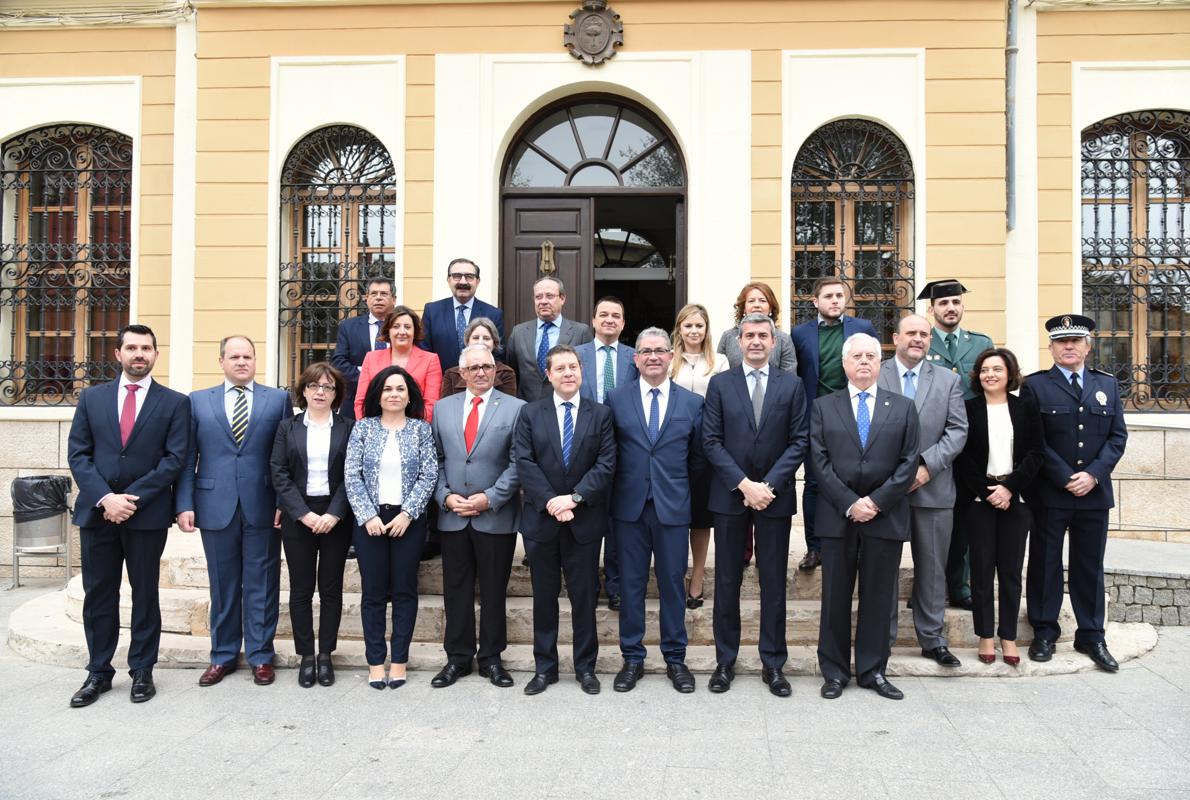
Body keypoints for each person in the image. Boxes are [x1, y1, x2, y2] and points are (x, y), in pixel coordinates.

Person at [66, 324, 190, 707]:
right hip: (97, 512)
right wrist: (105, 497)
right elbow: (78, 455)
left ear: (155, 354)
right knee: (99, 593)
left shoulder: (174, 403)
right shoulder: (92, 398)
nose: (140, 354)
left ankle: (142, 670)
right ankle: (98, 671)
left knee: (145, 594)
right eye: (132, 348)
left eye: (147, 348)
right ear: (117, 353)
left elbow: (175, 459)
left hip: (146, 514)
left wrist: (129, 499)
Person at [702, 313, 808, 697]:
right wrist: (745, 484)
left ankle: (774, 664)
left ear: (775, 342)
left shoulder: (792, 385)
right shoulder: (720, 385)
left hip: (774, 498)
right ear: (738, 340)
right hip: (731, 495)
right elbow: (710, 440)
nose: (757, 341)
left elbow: (799, 440)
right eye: (750, 335)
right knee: (727, 581)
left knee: (774, 582)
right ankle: (725, 661)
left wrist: (768, 486)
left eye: (764, 335)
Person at [176, 335, 291, 687]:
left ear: (256, 361)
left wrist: (283, 502)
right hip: (214, 505)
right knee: (223, 585)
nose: (242, 362)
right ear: (221, 361)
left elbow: (286, 457)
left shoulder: (278, 399)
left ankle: (260, 656)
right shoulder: (197, 401)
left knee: (262, 583)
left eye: (248, 356)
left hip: (263, 505)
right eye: (234, 357)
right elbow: (186, 457)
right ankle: (223, 655)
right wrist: (184, 504)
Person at [813, 333, 919, 701]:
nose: (863, 362)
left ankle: (874, 670)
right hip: (837, 517)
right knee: (835, 598)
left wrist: (874, 502)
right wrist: (850, 503)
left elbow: (908, 464)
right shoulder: (823, 407)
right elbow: (819, 462)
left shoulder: (903, 407)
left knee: (878, 598)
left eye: (870, 356)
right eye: (856, 356)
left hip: (884, 517)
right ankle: (834, 672)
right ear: (844, 363)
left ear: (880, 363)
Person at [1021, 315, 1128, 672]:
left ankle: (1091, 634)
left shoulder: (1107, 385)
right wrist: (1065, 476)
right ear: (1050, 347)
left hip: (1093, 495)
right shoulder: (1036, 386)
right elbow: (1034, 439)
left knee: (1089, 565)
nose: (1069, 347)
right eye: (1061, 341)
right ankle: (1045, 631)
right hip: (1051, 492)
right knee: (1045, 562)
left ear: (1088, 345)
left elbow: (1117, 437)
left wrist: (1093, 475)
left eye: (1076, 341)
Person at [514, 344, 616, 696]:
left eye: (573, 367)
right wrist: (552, 503)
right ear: (549, 374)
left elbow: (606, 464)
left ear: (581, 371)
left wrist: (573, 499)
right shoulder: (530, 413)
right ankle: (545, 668)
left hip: (584, 520)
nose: (569, 373)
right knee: (544, 598)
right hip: (542, 522)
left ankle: (586, 668)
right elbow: (524, 462)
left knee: (584, 598)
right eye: (561, 368)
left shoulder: (600, 415)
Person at [607, 328, 705, 694]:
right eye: (645, 351)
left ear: (670, 357)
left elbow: (697, 461)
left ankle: (675, 659)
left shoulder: (691, 404)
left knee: (672, 587)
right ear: (635, 359)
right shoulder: (616, 399)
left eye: (660, 351)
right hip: (629, 509)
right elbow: (610, 454)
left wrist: (679, 494)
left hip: (673, 508)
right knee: (631, 587)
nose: (652, 357)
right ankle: (632, 658)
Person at [429, 344, 526, 689]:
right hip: (453, 515)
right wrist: (445, 496)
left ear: (496, 370)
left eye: (487, 366)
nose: (481, 372)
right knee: (455, 590)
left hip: (494, 516)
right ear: (462, 373)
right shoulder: (442, 409)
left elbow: (518, 463)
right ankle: (457, 658)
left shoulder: (516, 409)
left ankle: (491, 659)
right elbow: (435, 460)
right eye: (474, 368)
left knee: (494, 590)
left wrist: (490, 498)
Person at [878, 315, 968, 668]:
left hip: (933, 488)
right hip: (885, 491)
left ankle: (932, 639)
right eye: (911, 333)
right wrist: (896, 475)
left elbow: (958, 431)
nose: (917, 339)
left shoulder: (948, 381)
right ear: (895, 337)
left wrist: (927, 466)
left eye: (924, 334)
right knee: (882, 568)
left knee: (932, 568)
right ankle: (880, 638)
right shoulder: (876, 372)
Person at [344, 366, 438, 689]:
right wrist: (368, 515)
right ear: (378, 396)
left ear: (409, 394)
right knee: (372, 594)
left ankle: (398, 661)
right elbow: (351, 474)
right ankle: (374, 662)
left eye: (400, 389)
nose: (394, 394)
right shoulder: (363, 429)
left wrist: (408, 513)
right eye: (387, 389)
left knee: (404, 591)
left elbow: (429, 474)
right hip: (369, 520)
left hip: (407, 522)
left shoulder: (421, 430)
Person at [954, 347, 1043, 666]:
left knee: (1009, 571)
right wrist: (988, 491)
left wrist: (1009, 488)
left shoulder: (1025, 408)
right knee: (979, 570)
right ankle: (985, 636)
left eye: (997, 369)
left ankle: (1008, 636)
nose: (990, 374)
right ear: (977, 376)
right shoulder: (968, 409)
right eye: (984, 369)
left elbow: (1036, 453)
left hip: (1016, 500)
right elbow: (962, 456)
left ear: (1010, 374)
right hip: (979, 500)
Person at [268, 362, 354, 687]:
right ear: (303, 390)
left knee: (331, 590)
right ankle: (306, 655)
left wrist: (334, 513)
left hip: (335, 516)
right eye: (315, 386)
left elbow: (352, 475)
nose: (321, 392)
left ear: (337, 394)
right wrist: (302, 513)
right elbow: (278, 472)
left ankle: (325, 655)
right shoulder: (287, 428)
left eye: (328, 387)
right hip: (298, 515)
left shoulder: (348, 427)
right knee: (301, 590)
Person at [790, 277, 879, 572]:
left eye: (840, 295)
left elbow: (874, 365)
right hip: (815, 416)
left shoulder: (862, 329)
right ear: (815, 301)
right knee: (815, 482)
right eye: (828, 296)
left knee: (855, 479)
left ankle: (856, 543)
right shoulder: (799, 334)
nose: (835, 300)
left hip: (854, 415)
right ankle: (815, 548)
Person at [920, 279, 994, 612]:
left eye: (955, 302)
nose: (950, 308)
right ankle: (926, 586)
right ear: (931, 309)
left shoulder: (980, 343)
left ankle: (959, 585)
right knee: (927, 520)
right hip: (932, 442)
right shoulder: (920, 340)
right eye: (944, 303)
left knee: (964, 516)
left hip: (971, 444)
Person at [576, 295, 639, 612]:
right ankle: (586, 585)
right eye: (603, 314)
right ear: (594, 320)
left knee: (617, 523)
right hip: (582, 449)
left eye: (616, 315)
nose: (609, 320)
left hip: (623, 448)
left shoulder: (634, 358)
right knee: (586, 521)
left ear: (623, 323)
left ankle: (615, 586)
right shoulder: (577, 355)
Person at [670, 303, 728, 610]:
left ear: (707, 330)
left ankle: (697, 578)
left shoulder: (719, 361)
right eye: (688, 325)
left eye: (699, 326)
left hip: (706, 447)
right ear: (679, 328)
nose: (694, 331)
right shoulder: (668, 362)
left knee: (701, 516)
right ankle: (675, 574)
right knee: (677, 513)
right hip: (674, 446)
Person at [506, 276, 594, 403]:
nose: (543, 301)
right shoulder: (518, 332)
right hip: (527, 408)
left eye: (549, 296)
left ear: (562, 298)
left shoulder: (580, 332)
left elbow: (587, 375)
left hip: (567, 407)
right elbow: (513, 374)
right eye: (538, 297)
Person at [355, 305, 443, 421]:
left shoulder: (431, 360)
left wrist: (414, 430)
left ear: (415, 331)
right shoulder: (371, 358)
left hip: (415, 430)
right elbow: (361, 401)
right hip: (375, 430)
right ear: (388, 331)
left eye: (407, 327)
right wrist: (368, 429)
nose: (402, 332)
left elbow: (431, 404)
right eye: (396, 326)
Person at [420, 258, 505, 371]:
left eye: (469, 276)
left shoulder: (493, 314)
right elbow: (424, 353)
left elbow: (498, 356)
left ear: (478, 281)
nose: (463, 282)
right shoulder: (432, 311)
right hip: (442, 384)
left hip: (479, 383)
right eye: (457, 276)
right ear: (448, 280)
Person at [332, 277, 396, 420]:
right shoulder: (349, 327)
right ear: (366, 298)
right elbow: (338, 362)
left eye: (384, 294)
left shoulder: (403, 328)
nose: (378, 298)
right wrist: (366, 377)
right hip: (355, 400)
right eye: (373, 294)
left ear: (394, 299)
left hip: (395, 400)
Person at [715, 282, 797, 373]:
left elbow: (789, 378)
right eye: (751, 301)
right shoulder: (728, 337)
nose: (757, 305)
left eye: (762, 301)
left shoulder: (783, 339)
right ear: (744, 308)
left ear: (770, 308)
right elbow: (719, 372)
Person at [440, 317, 518, 398]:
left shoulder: (506, 373)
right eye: (476, 338)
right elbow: (447, 407)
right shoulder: (451, 375)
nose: (480, 342)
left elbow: (507, 407)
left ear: (494, 343)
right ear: (467, 341)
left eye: (486, 338)